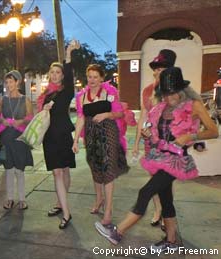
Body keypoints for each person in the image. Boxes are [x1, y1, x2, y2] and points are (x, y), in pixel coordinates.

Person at [95, 67, 219, 252]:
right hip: (160, 156)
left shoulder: (194, 105)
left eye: (173, 93)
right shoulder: (161, 107)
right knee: (166, 199)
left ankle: (117, 232)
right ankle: (171, 241)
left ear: (182, 90)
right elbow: (154, 131)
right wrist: (147, 134)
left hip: (177, 161)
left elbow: (213, 131)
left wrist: (190, 137)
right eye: (166, 94)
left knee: (145, 192)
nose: (169, 98)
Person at [72, 64, 129, 226]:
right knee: (95, 167)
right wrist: (76, 140)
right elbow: (81, 118)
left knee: (108, 169)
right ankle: (99, 199)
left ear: (102, 78)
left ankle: (109, 210)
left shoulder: (110, 92)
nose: (92, 80)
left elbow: (119, 113)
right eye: (89, 76)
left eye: (95, 77)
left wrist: (106, 114)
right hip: (91, 135)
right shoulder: (81, 97)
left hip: (108, 132)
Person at [132, 49, 176, 228]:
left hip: (167, 143)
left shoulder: (174, 90)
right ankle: (159, 210)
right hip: (151, 142)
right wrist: (136, 143)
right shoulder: (148, 90)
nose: (158, 71)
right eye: (156, 68)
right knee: (154, 177)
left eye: (162, 68)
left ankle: (167, 215)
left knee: (164, 180)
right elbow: (142, 117)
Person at [37, 41, 79, 229]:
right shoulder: (44, 96)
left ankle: (60, 203)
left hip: (63, 135)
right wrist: (44, 109)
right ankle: (66, 212)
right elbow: (40, 118)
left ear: (62, 76)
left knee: (65, 170)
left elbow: (70, 75)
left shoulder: (66, 91)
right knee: (57, 173)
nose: (54, 75)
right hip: (49, 138)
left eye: (58, 72)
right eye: (52, 72)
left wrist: (68, 54)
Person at [0, 70, 33, 210]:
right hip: (6, 138)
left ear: (18, 82)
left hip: (20, 139)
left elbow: (31, 118)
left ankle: (22, 199)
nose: (8, 85)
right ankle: (9, 199)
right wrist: (2, 120)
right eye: (7, 82)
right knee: (8, 170)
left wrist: (20, 121)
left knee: (19, 170)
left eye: (11, 82)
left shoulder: (25, 99)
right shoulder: (3, 99)